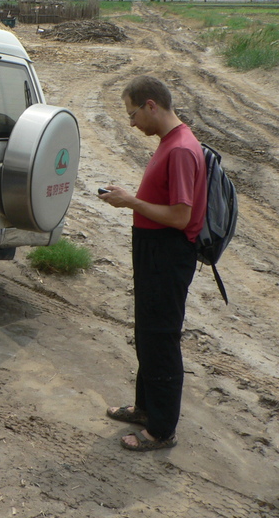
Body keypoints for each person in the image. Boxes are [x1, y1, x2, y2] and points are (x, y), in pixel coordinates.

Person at [99, 75, 207, 451]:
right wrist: (130, 198)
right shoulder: (171, 142)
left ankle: (161, 430)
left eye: (132, 115)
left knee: (160, 338)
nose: (130, 124)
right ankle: (146, 407)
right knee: (147, 332)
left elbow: (180, 216)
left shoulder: (179, 149)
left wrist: (131, 201)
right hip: (155, 248)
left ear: (151, 106)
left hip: (168, 251)